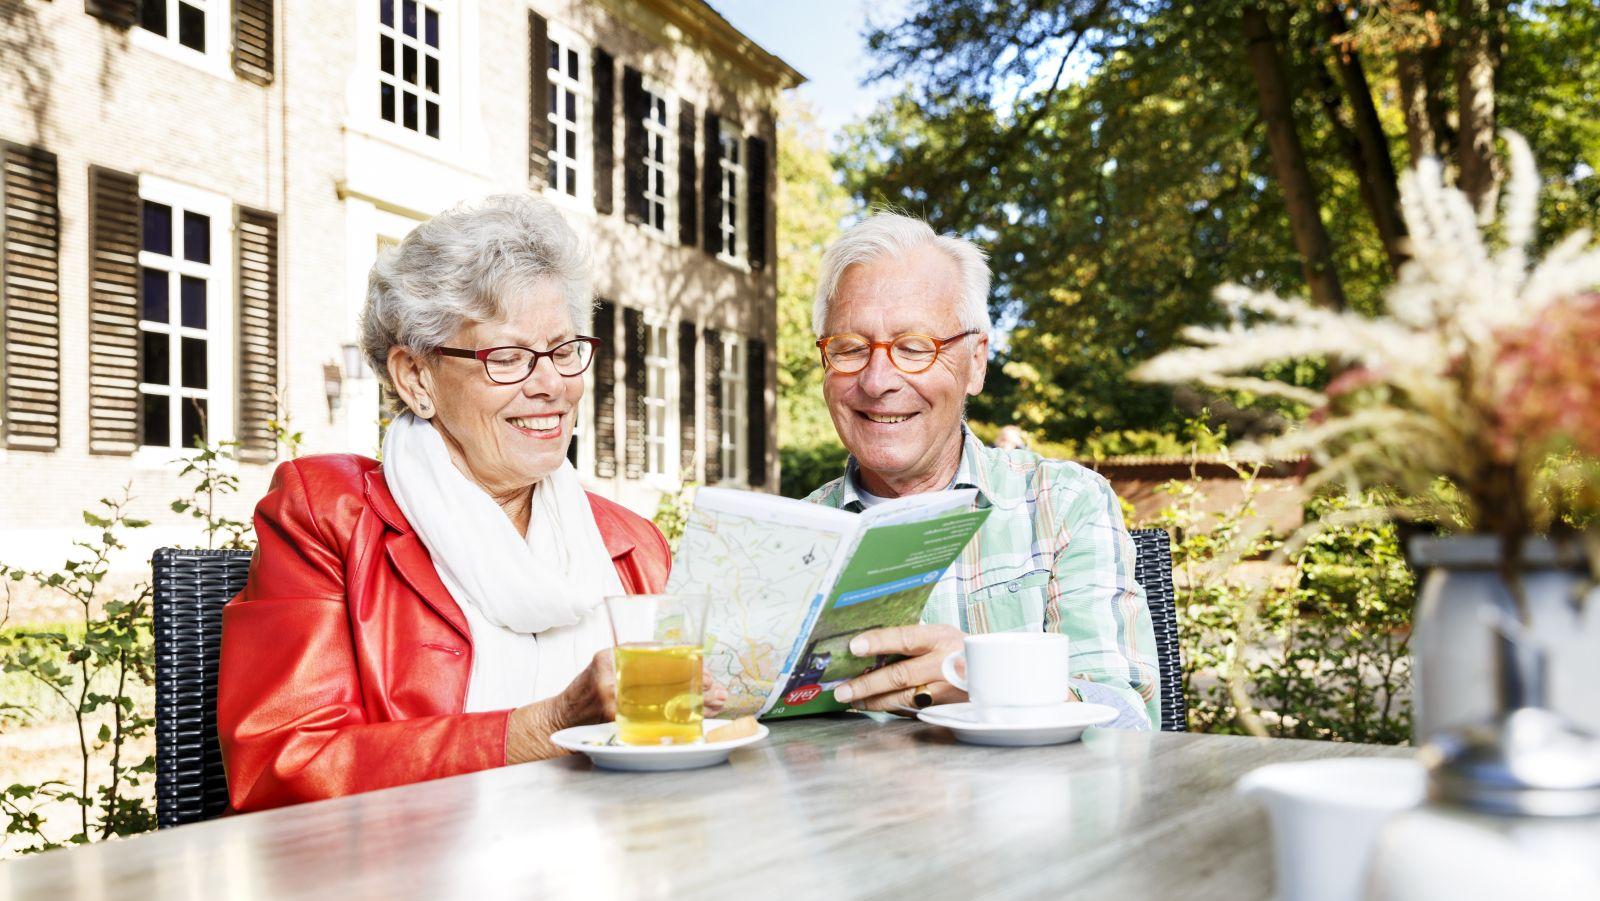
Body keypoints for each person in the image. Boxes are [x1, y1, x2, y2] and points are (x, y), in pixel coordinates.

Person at [217, 195, 720, 812]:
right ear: (416, 379)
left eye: (564, 351)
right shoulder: (328, 517)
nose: (551, 386)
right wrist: (546, 725)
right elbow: (281, 768)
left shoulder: (634, 546)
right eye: (507, 358)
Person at [805, 213, 1159, 729]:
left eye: (913, 348)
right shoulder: (793, 539)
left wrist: (987, 685)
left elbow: (1129, 721)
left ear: (975, 363)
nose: (878, 380)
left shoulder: (1062, 503)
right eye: (851, 349)